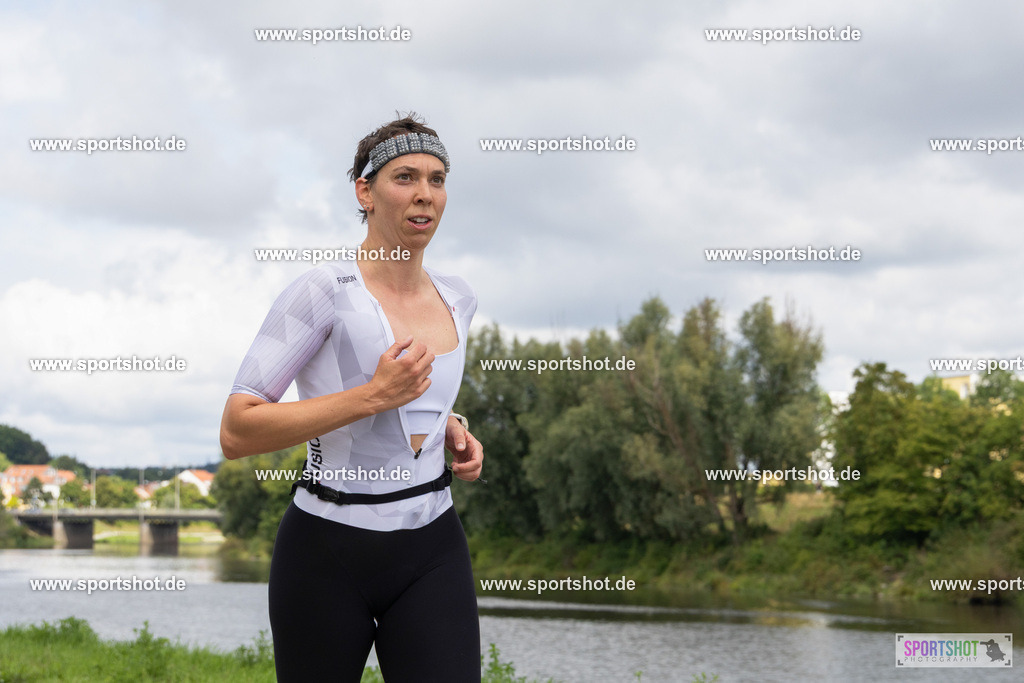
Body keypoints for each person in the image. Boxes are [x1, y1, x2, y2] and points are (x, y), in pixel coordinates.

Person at [219, 114, 484, 682]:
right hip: (326, 550)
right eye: (405, 177)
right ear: (365, 192)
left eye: (437, 179)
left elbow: (416, 398)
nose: (425, 194)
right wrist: (371, 397)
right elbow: (238, 430)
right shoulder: (322, 291)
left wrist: (449, 425)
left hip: (432, 544)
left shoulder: (458, 297)